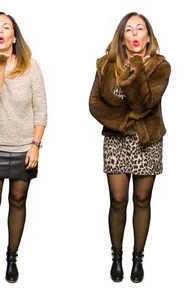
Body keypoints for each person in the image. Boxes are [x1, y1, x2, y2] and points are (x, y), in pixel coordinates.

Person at [89, 12, 170, 283]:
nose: (135, 34)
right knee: (118, 200)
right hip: (116, 139)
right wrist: (123, 122)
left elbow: (144, 104)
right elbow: (95, 104)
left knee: (142, 200)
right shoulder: (105, 65)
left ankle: (138, 258)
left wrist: (136, 72)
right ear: (122, 37)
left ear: (148, 36)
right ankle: (116, 257)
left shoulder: (160, 66)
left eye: (140, 29)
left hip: (148, 140)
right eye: (129, 30)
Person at [0, 12, 47, 284]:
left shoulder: (31, 66)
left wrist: (35, 145)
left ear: (14, 37)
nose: (0, 30)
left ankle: (12, 258)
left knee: (18, 201)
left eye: (6, 27)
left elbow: (41, 110)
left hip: (25, 146)